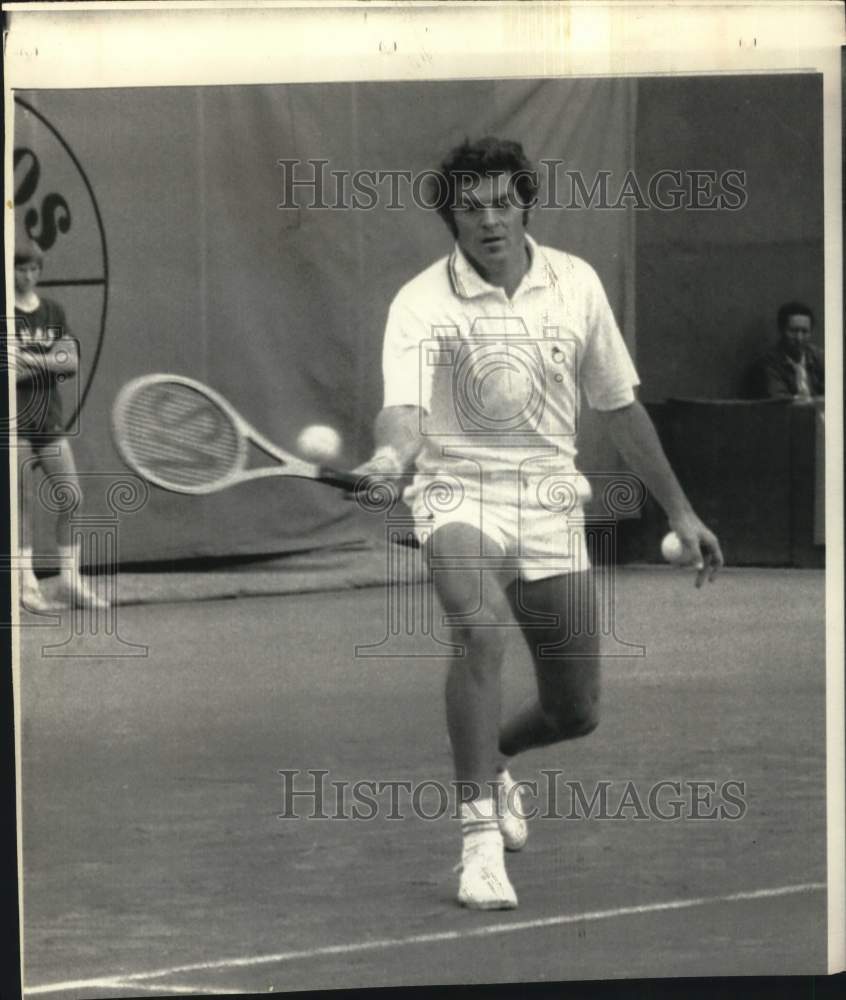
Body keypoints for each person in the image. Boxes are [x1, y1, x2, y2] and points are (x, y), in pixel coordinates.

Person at [356, 138, 723, 910]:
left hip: (552, 501)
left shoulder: (576, 285)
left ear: (525, 203)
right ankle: (479, 845)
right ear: (449, 217)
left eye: (501, 202)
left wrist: (681, 510)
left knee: (575, 710)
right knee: (478, 631)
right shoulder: (421, 302)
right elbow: (403, 411)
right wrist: (391, 459)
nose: (488, 220)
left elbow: (618, 406)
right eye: (470, 207)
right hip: (457, 493)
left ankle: (494, 757)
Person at [12, 237, 107, 612]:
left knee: (71, 497)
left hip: (48, 419)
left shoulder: (52, 310)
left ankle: (70, 582)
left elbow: (69, 362)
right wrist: (48, 359)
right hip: (13, 423)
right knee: (20, 505)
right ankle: (27, 586)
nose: (29, 276)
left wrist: (31, 361)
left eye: (34, 269)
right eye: (21, 269)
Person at [752, 302, 824, 401]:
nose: (799, 338)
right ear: (781, 330)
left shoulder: (821, 358)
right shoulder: (768, 363)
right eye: (793, 331)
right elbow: (780, 401)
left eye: (805, 331)